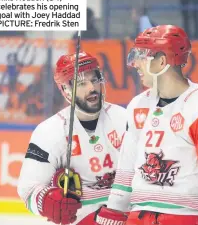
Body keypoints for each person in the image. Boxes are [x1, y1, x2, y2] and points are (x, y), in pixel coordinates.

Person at [95, 25, 198, 225]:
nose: (134, 63)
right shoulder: (138, 105)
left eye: (141, 56)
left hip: (185, 217)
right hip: (139, 216)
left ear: (162, 61)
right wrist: (115, 209)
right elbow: (127, 164)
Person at [17, 51, 127, 225]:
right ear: (66, 91)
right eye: (82, 83)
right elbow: (28, 189)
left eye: (94, 80)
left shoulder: (125, 119)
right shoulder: (49, 131)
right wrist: (46, 201)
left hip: (125, 216)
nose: (91, 88)